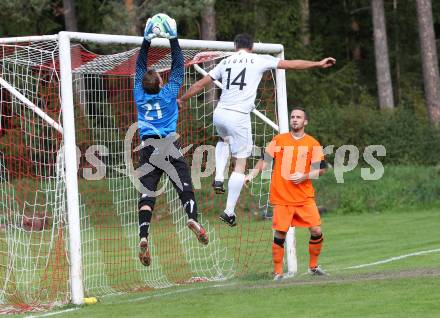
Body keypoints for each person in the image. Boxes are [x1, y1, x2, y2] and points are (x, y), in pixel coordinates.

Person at [179, 33, 335, 227]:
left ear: (235, 46)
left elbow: (200, 84)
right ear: (252, 47)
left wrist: (181, 99)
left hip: (220, 113)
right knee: (240, 164)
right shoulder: (259, 59)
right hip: (239, 116)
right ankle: (229, 211)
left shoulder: (225, 61)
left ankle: (219, 177)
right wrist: (317, 63)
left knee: (224, 140)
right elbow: (291, 64)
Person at [134, 18, 208, 267]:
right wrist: (173, 37)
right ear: (162, 83)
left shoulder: (138, 93)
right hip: (168, 145)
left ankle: (144, 235)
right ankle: (192, 216)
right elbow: (179, 64)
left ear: (143, 84)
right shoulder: (169, 93)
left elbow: (140, 64)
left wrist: (146, 39)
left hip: (147, 147)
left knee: (147, 192)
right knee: (184, 183)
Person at [245, 108, 327, 278]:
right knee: (280, 233)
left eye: (299, 117)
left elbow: (321, 170)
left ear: (305, 122)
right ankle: (278, 272)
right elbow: (265, 161)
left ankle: (313, 266)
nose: (295, 119)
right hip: (282, 197)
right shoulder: (278, 140)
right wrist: (251, 175)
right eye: (293, 117)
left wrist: (303, 176)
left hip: (304, 197)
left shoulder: (313, 143)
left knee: (316, 230)